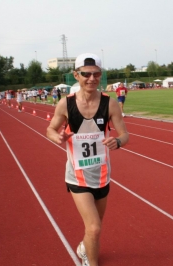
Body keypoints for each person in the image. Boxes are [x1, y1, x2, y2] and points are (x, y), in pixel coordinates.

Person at [47, 53, 129, 266]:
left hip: (102, 175)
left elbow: (124, 134)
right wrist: (57, 136)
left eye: (96, 74)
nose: (92, 79)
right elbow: (50, 128)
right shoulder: (66, 104)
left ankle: (84, 247)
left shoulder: (110, 104)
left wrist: (118, 142)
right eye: (86, 74)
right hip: (77, 176)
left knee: (95, 228)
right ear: (76, 75)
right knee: (94, 228)